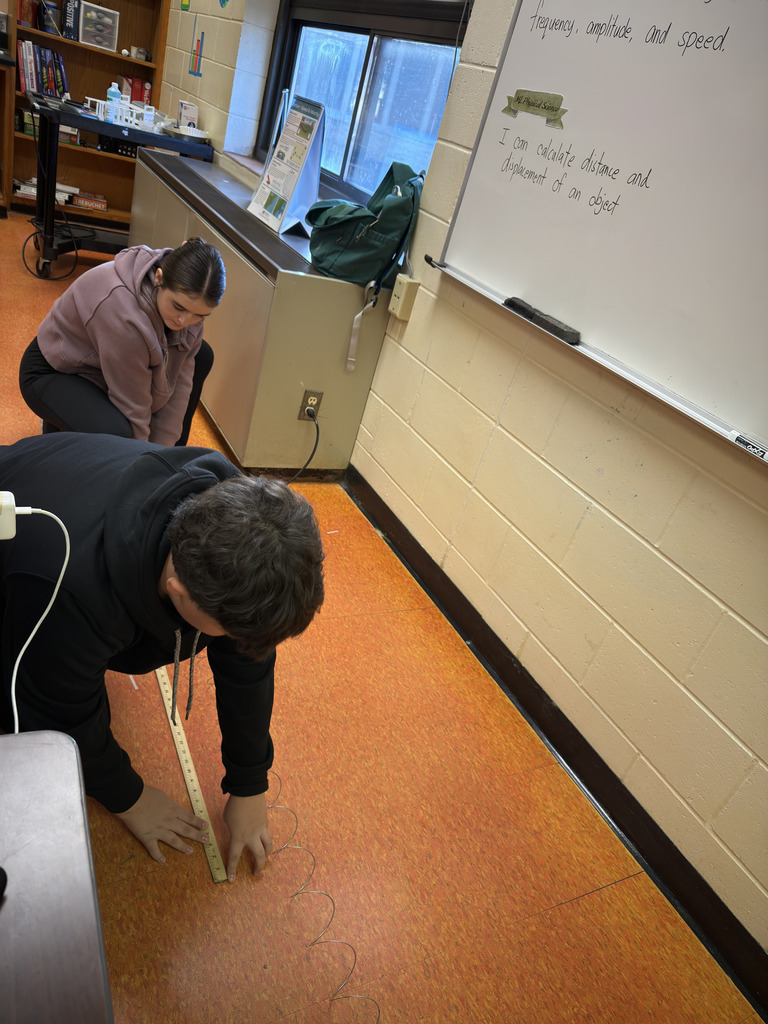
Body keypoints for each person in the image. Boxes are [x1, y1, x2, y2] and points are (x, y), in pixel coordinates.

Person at [0, 432, 325, 879]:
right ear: (178, 592)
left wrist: (249, 782)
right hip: (19, 544)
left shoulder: (232, 509)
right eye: (226, 631)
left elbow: (247, 662)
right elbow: (60, 715)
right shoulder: (68, 589)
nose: (234, 640)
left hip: (66, 491)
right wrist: (128, 797)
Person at [18, 237, 226, 447]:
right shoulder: (124, 315)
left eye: (199, 315)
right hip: (57, 370)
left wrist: (165, 454)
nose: (184, 321)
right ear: (159, 278)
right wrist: (143, 463)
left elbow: (179, 386)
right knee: (120, 434)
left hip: (106, 366)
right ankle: (58, 424)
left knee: (202, 355)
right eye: (178, 307)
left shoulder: (188, 302)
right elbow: (134, 409)